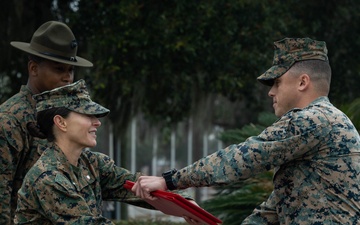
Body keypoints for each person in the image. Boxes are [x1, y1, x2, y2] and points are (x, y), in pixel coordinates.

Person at [132, 37, 360, 224]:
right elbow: (276, 208)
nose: (271, 92)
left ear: (302, 82)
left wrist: (170, 181)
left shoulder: (313, 119)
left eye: (277, 82)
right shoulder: (329, 124)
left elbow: (243, 158)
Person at [14, 80, 197, 224]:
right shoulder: (48, 178)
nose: (97, 122)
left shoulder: (92, 163)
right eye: (88, 115)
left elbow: (137, 187)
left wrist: (186, 205)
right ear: (61, 122)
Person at [0, 21, 93, 224]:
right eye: (59, 69)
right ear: (33, 68)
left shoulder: (63, 116)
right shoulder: (10, 120)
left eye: (71, 70)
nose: (67, 77)